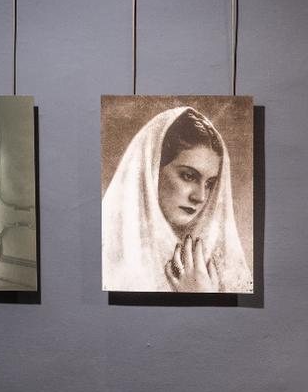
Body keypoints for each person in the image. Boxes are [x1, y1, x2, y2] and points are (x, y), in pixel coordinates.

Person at [102, 106, 252, 293]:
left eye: (210, 183)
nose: (200, 197)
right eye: (189, 176)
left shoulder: (218, 261)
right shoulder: (107, 255)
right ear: (152, 169)